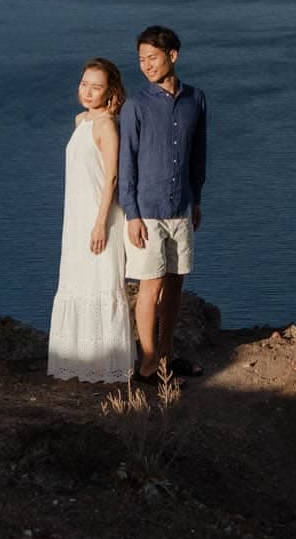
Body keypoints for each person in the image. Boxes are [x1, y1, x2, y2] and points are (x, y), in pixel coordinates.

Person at [117, 24, 207, 381]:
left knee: (175, 283)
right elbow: (127, 162)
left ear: (173, 55)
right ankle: (148, 364)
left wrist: (196, 199)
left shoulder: (195, 100)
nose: (146, 65)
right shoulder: (136, 106)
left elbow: (198, 154)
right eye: (141, 59)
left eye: (152, 58)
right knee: (149, 286)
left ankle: (167, 355)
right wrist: (132, 214)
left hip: (181, 207)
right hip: (147, 211)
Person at [46, 58, 133, 383]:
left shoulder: (107, 125)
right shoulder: (81, 120)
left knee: (101, 283)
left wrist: (100, 224)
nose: (88, 91)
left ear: (110, 91)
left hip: (101, 216)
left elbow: (111, 177)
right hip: (77, 216)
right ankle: (80, 361)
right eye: (84, 83)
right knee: (77, 280)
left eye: (96, 87)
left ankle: (106, 365)